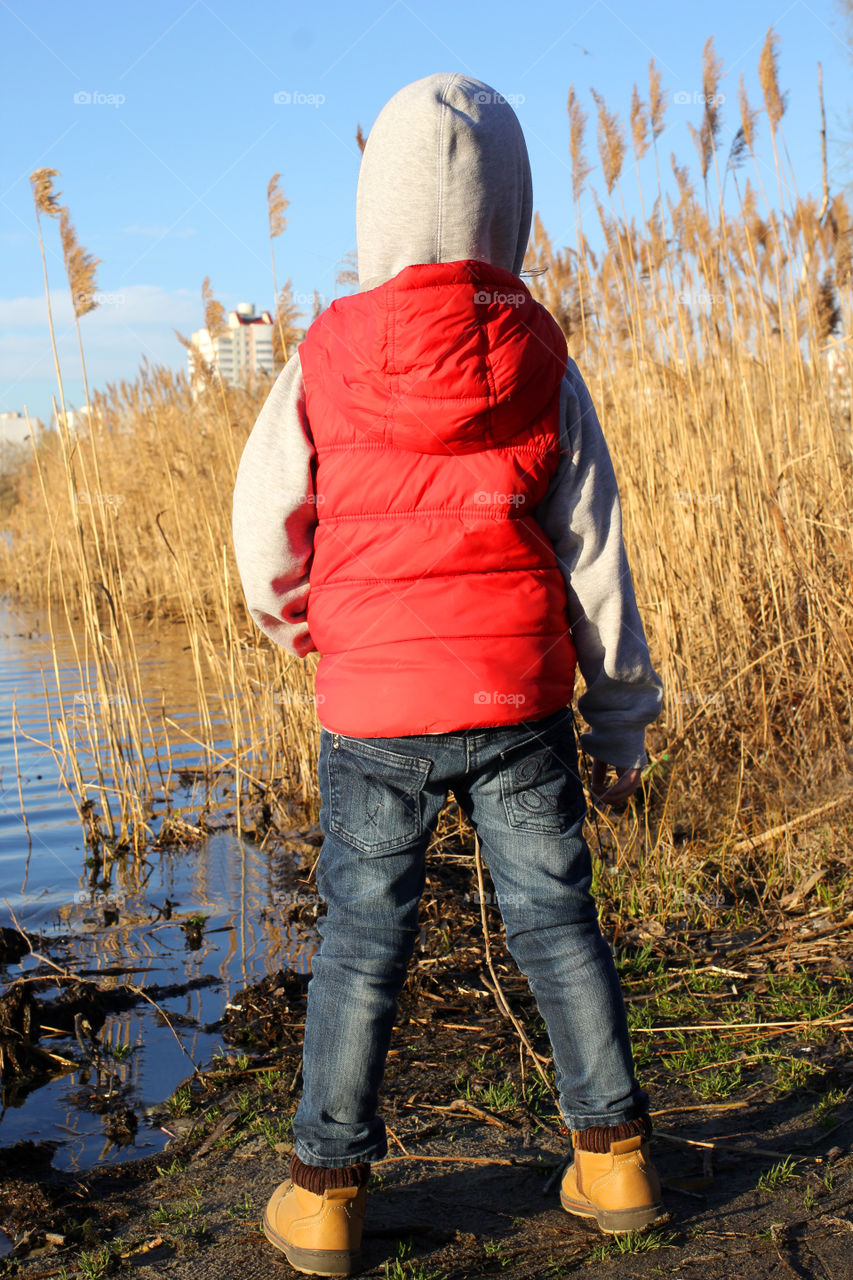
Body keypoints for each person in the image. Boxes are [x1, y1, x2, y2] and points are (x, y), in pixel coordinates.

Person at [232, 72, 665, 1278]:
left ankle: (324, 1191)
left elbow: (265, 526)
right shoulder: (540, 358)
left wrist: (306, 628)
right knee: (556, 920)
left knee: (363, 937)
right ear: (511, 208)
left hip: (372, 702)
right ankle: (615, 1152)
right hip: (517, 696)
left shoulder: (319, 358)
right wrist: (621, 713)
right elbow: (594, 548)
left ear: (376, 208)